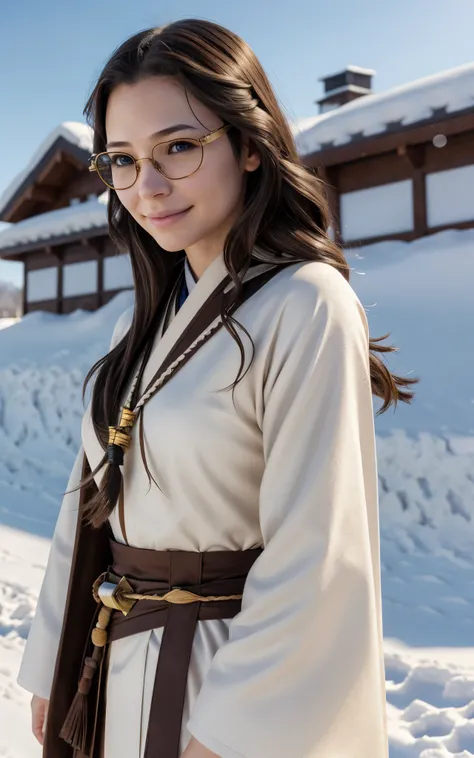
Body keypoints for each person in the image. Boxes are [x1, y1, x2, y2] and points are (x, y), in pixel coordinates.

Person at [17, 18, 416, 758]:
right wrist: (59, 658)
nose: (149, 186)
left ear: (250, 143)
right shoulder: (135, 326)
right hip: (118, 667)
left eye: (178, 147)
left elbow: (317, 556)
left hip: (226, 687)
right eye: (123, 161)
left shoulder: (307, 303)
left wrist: (227, 737)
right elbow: (88, 507)